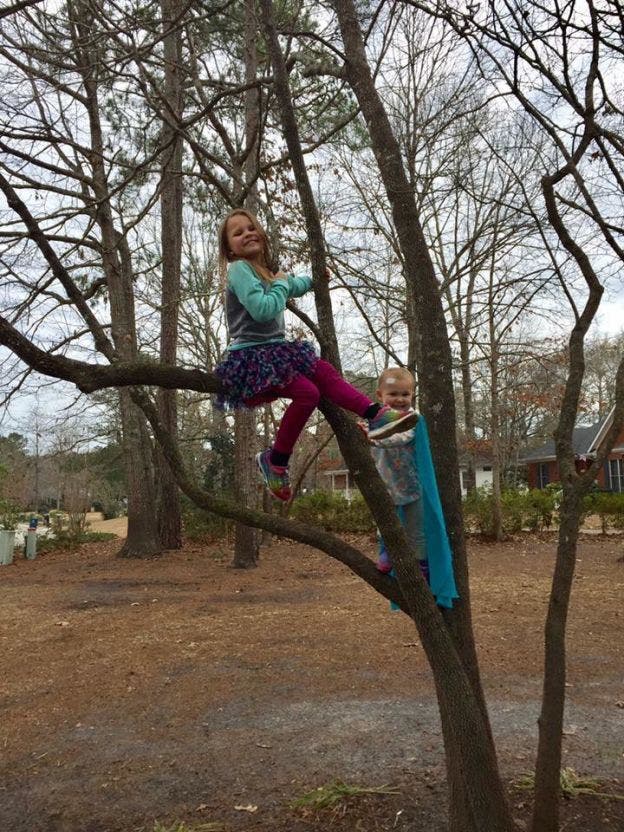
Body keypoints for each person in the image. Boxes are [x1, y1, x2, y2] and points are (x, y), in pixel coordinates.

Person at [214, 208, 418, 501]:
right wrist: (282, 283)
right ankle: (276, 461)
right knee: (308, 393)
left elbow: (292, 284)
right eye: (238, 232)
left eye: (251, 227)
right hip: (252, 356)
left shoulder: (266, 271)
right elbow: (263, 309)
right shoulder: (239, 270)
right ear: (229, 249)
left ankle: (377, 415)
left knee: (324, 372)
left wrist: (314, 280)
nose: (247, 233)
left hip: (275, 351)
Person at [367, 367, 458, 609]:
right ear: (380, 395)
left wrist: (371, 436)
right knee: (384, 524)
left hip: (413, 486)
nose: (400, 399)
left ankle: (423, 575)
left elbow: (397, 437)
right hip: (386, 486)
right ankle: (386, 552)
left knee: (417, 533)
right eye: (393, 394)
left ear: (413, 396)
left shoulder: (411, 420)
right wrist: (367, 432)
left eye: (405, 394)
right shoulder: (373, 420)